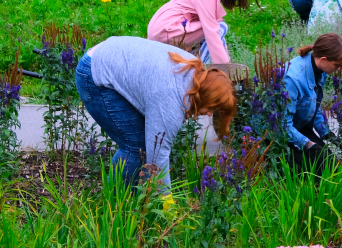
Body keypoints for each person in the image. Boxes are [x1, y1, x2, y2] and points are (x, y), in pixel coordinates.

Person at [74, 36, 236, 208]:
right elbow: (157, 156)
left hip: (109, 54)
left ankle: (133, 203)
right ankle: (116, 210)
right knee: (134, 148)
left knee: (141, 145)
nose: (209, 114)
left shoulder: (195, 70)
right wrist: (168, 206)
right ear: (204, 96)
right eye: (211, 108)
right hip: (93, 74)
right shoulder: (171, 97)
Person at [147, 0, 257, 65]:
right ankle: (201, 72)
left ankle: (201, 66)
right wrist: (225, 67)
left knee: (218, 33)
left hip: (165, 26)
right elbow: (211, 31)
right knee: (220, 28)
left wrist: (227, 63)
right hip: (166, 29)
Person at [283, 33, 342, 173]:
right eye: (337, 65)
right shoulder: (292, 79)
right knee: (313, 170)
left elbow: (314, 107)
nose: (338, 69)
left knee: (329, 163)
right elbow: (283, 124)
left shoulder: (321, 69)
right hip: (278, 133)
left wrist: (326, 133)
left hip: (298, 125)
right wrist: (307, 143)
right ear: (323, 59)